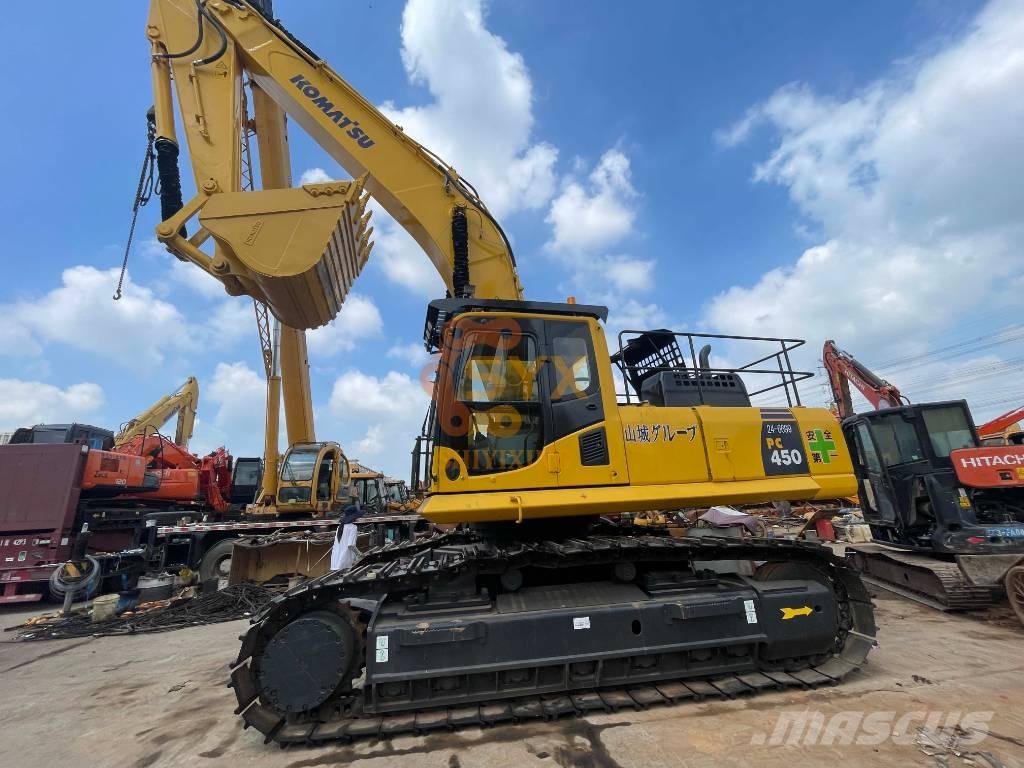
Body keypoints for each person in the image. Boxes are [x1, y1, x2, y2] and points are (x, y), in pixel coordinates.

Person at [330, 502, 363, 571]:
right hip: (345, 563)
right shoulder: (353, 527)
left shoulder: (340, 527)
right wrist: (359, 554)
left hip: (335, 562)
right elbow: (351, 545)